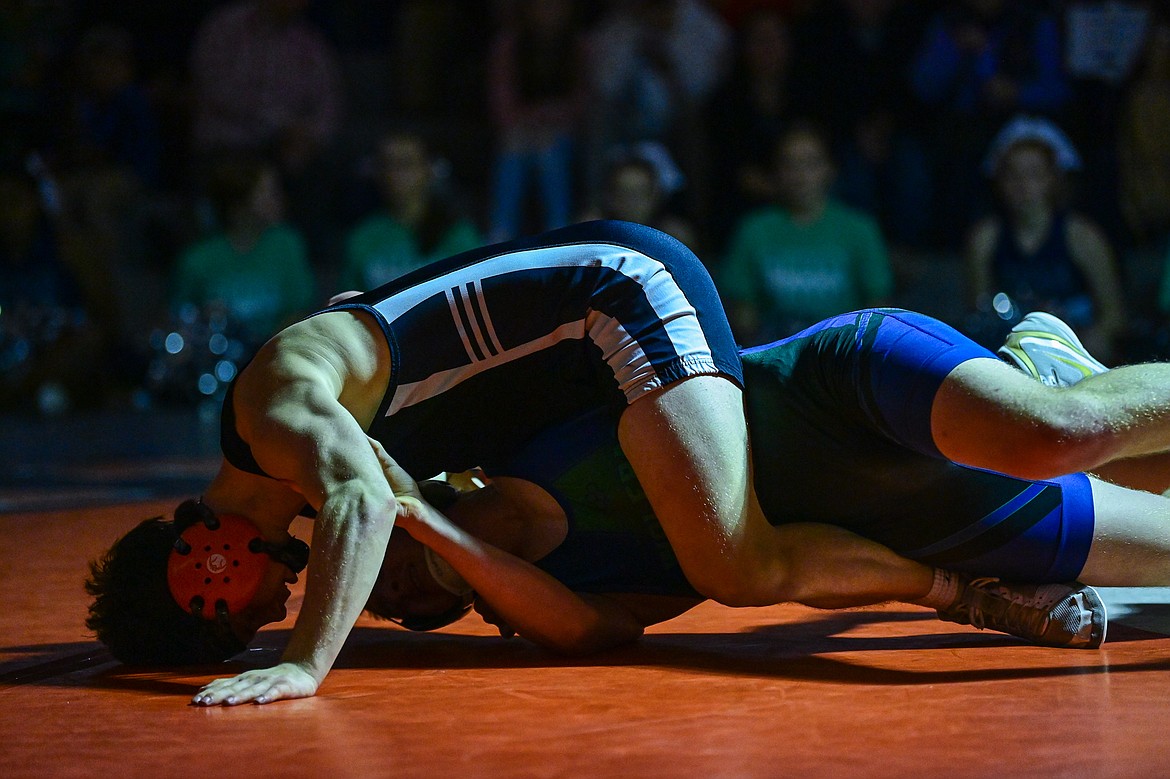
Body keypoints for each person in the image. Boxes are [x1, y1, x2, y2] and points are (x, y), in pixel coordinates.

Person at [85, 222, 1170, 705]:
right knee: (739, 556)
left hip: (617, 294)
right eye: (259, 631)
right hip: (609, 358)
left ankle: (1022, 409)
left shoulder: (273, 415)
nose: (274, 606)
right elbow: (562, 611)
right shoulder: (388, 490)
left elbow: (363, 497)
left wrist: (307, 666)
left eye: (240, 613)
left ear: (203, 548)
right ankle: (1022, 411)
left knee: (740, 560)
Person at [364, 307, 1170, 653]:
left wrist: (418, 504)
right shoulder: (572, 595)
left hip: (844, 395)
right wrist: (442, 538)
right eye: (387, 606)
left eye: (373, 562)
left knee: (1061, 431)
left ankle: (1035, 369)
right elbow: (585, 634)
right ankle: (1029, 372)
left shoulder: (518, 431)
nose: (384, 590)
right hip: (929, 521)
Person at [965, 116, 1127, 361]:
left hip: (1075, 352)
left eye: (1034, 174)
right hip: (1013, 352)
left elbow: (1114, 317)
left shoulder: (1082, 236)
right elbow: (978, 315)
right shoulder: (985, 239)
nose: (1023, 184)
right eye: (1012, 174)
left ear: (1054, 179)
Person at [720, 121, 894, 343]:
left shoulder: (859, 230)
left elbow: (878, 306)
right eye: (790, 164)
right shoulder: (754, 230)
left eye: (811, 163)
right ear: (776, 171)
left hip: (842, 355)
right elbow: (743, 310)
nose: (800, 175)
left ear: (830, 169)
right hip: (774, 352)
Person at [170, 153, 316, 349]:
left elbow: (300, 311)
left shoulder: (286, 244)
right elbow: (177, 321)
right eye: (268, 193)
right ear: (237, 207)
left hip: (275, 355)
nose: (278, 199)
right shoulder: (198, 259)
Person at [338, 130, 482, 292]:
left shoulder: (457, 234)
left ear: (428, 169)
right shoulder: (362, 236)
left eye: (406, 163)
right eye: (387, 163)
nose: (394, 173)